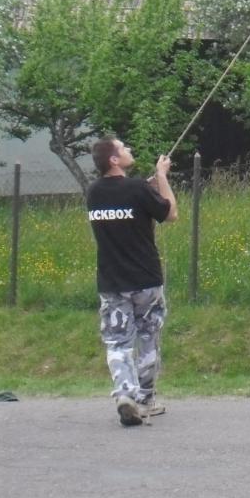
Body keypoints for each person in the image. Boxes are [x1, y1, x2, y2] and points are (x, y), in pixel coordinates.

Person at [87, 138, 178, 427]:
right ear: (114, 160)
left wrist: (146, 187)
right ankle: (145, 399)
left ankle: (125, 394)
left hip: (112, 281)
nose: (129, 150)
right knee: (148, 337)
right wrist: (161, 177)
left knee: (117, 341)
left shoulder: (93, 192)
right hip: (145, 279)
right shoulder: (138, 188)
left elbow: (125, 200)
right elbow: (170, 213)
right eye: (123, 148)